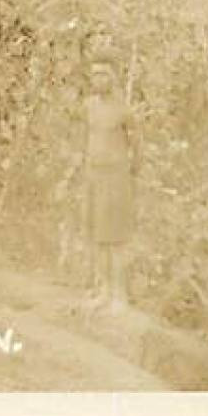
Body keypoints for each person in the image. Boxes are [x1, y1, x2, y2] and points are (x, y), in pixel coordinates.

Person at [81, 55, 137, 310]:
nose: (98, 79)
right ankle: (102, 290)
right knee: (97, 234)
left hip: (116, 177)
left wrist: (126, 174)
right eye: (94, 74)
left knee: (116, 238)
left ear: (114, 77)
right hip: (94, 175)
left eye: (103, 74)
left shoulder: (124, 110)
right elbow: (88, 138)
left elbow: (138, 146)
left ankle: (119, 296)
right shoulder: (89, 105)